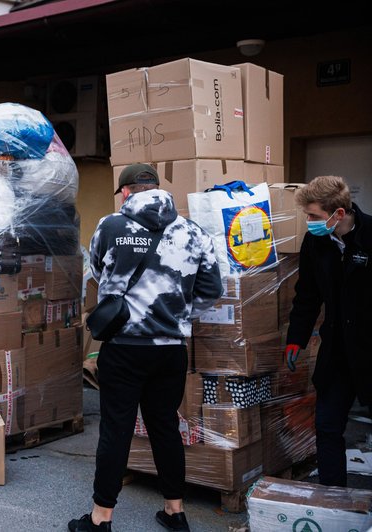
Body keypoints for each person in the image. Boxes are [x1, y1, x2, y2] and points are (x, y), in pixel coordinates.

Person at [69, 164, 223, 532]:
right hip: (170, 349)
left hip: (123, 347)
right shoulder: (192, 231)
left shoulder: (111, 227)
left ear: (126, 192)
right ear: (157, 188)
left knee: (116, 430)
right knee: (166, 428)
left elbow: (95, 271)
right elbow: (212, 289)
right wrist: (180, 314)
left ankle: (100, 518)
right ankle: (175, 511)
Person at [284, 175, 372, 487]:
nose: (308, 222)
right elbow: (307, 295)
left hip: (368, 349)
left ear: (338, 214)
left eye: (313, 216)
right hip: (337, 351)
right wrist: (296, 339)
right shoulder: (316, 242)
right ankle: (332, 499)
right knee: (327, 425)